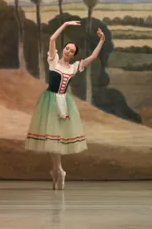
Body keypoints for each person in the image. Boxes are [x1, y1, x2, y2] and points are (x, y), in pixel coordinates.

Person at [24, 20, 105, 190]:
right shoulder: (53, 61)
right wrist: (66, 24)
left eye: (72, 51)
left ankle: (58, 170)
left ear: (73, 55)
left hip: (63, 103)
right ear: (63, 50)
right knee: (51, 138)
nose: (68, 51)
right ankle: (57, 170)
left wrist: (102, 41)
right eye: (67, 48)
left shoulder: (73, 68)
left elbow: (93, 57)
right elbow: (52, 39)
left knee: (57, 139)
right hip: (49, 101)